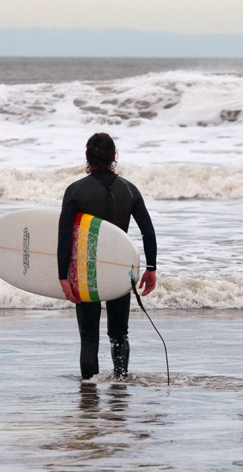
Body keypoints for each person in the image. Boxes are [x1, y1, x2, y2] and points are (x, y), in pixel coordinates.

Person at [57, 133, 157, 380]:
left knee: (89, 338)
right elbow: (148, 231)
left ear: (87, 158)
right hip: (120, 269)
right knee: (120, 334)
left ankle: (89, 395)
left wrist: (62, 276)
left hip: (85, 270)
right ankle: (120, 385)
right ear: (114, 156)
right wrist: (151, 267)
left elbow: (65, 238)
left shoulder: (75, 191)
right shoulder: (129, 190)